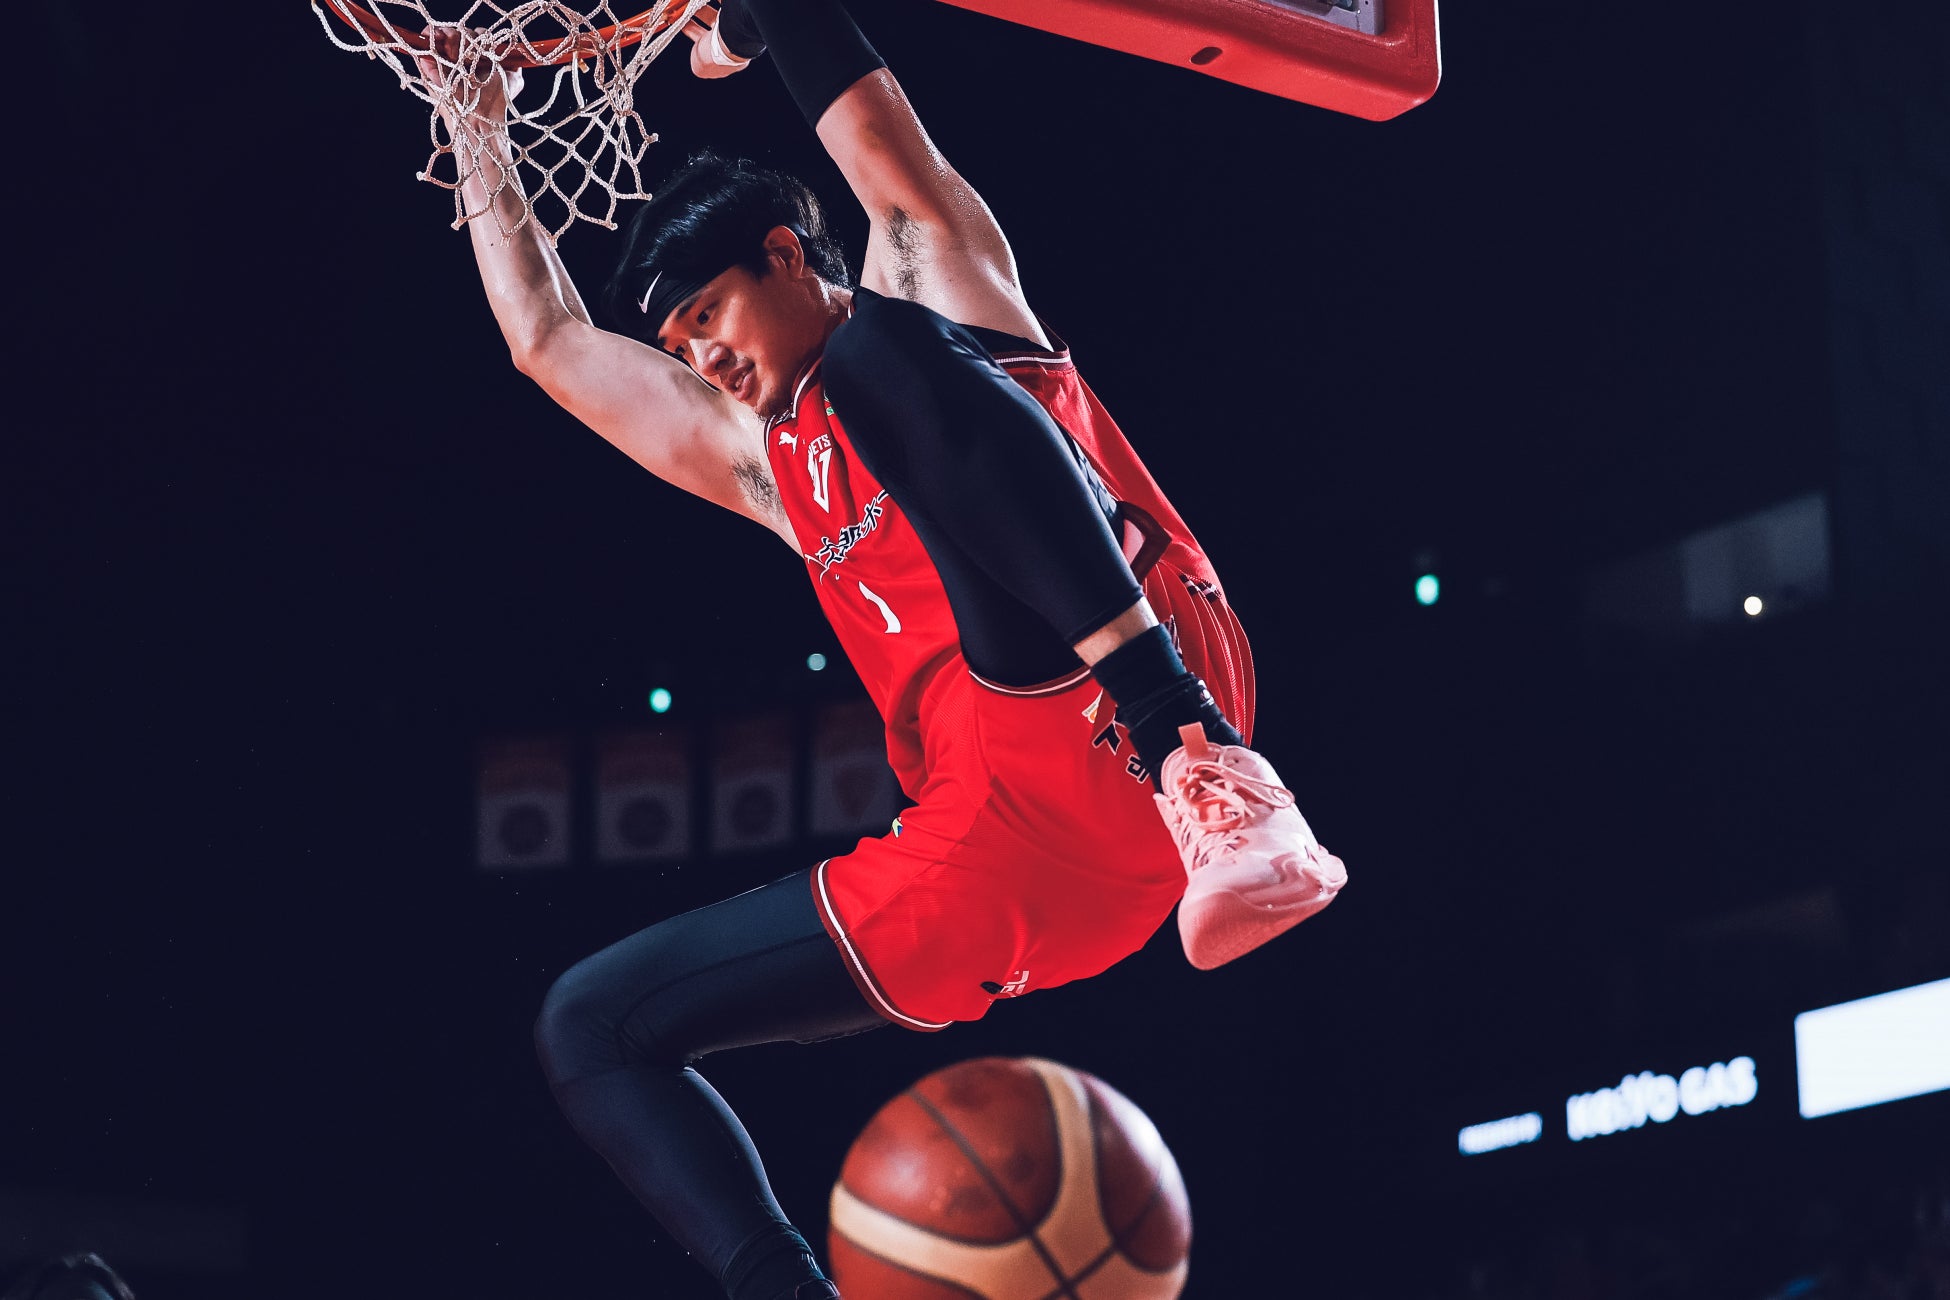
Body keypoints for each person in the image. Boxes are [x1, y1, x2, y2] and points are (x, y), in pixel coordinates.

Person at [411, 2, 1348, 1296]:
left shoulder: (935, 282)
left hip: (1136, 696)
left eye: (710, 315)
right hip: (1000, 848)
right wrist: (472, 122)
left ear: (786, 257)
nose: (704, 360)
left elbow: (878, 138)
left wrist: (770, 15)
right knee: (591, 1024)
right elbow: (549, 344)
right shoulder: (768, 465)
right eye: (680, 347)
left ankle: (1206, 762)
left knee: (880, 355)